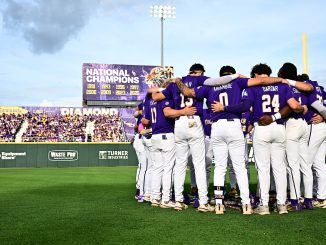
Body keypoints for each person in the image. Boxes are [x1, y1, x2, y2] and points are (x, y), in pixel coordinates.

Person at [175, 64, 290, 214]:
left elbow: (186, 92)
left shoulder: (209, 86)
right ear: (232, 75)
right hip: (234, 126)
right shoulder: (237, 82)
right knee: (240, 168)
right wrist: (281, 79)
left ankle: (218, 204)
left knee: (220, 167)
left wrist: (178, 80)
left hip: (217, 127)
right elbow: (261, 82)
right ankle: (246, 204)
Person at [149, 63, 239, 212]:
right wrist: (236, 76)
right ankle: (203, 202)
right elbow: (218, 81)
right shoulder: (200, 79)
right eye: (202, 73)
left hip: (179, 123)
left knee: (180, 165)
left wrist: (166, 84)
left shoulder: (176, 83)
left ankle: (178, 200)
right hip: (193, 120)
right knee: (198, 164)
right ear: (199, 72)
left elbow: (156, 96)